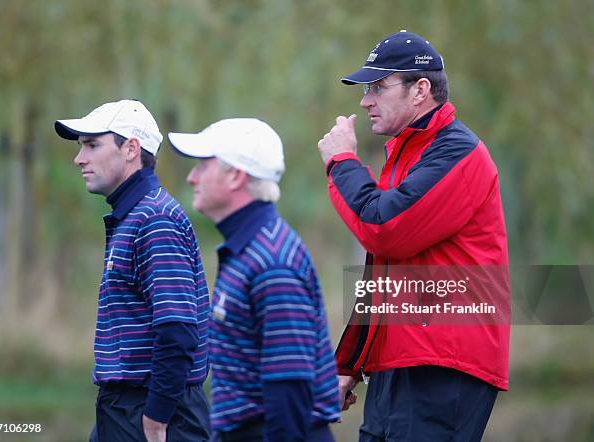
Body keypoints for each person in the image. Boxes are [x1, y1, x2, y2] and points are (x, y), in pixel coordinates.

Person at [317, 30, 510, 441]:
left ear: (421, 89)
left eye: (377, 87)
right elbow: (387, 276)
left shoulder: (458, 152)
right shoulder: (410, 154)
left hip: (443, 365)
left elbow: (383, 229)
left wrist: (341, 163)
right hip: (403, 360)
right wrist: (349, 363)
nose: (365, 100)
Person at [169, 118, 341, 442]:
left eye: (202, 167)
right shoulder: (249, 250)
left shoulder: (273, 264)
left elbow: (289, 391)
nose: (192, 177)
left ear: (235, 175)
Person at [54, 99, 211, 442]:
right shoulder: (135, 216)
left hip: (153, 414)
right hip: (127, 408)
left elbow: (178, 331)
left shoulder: (155, 220)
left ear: (131, 149)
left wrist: (155, 419)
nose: (79, 158)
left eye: (92, 145)